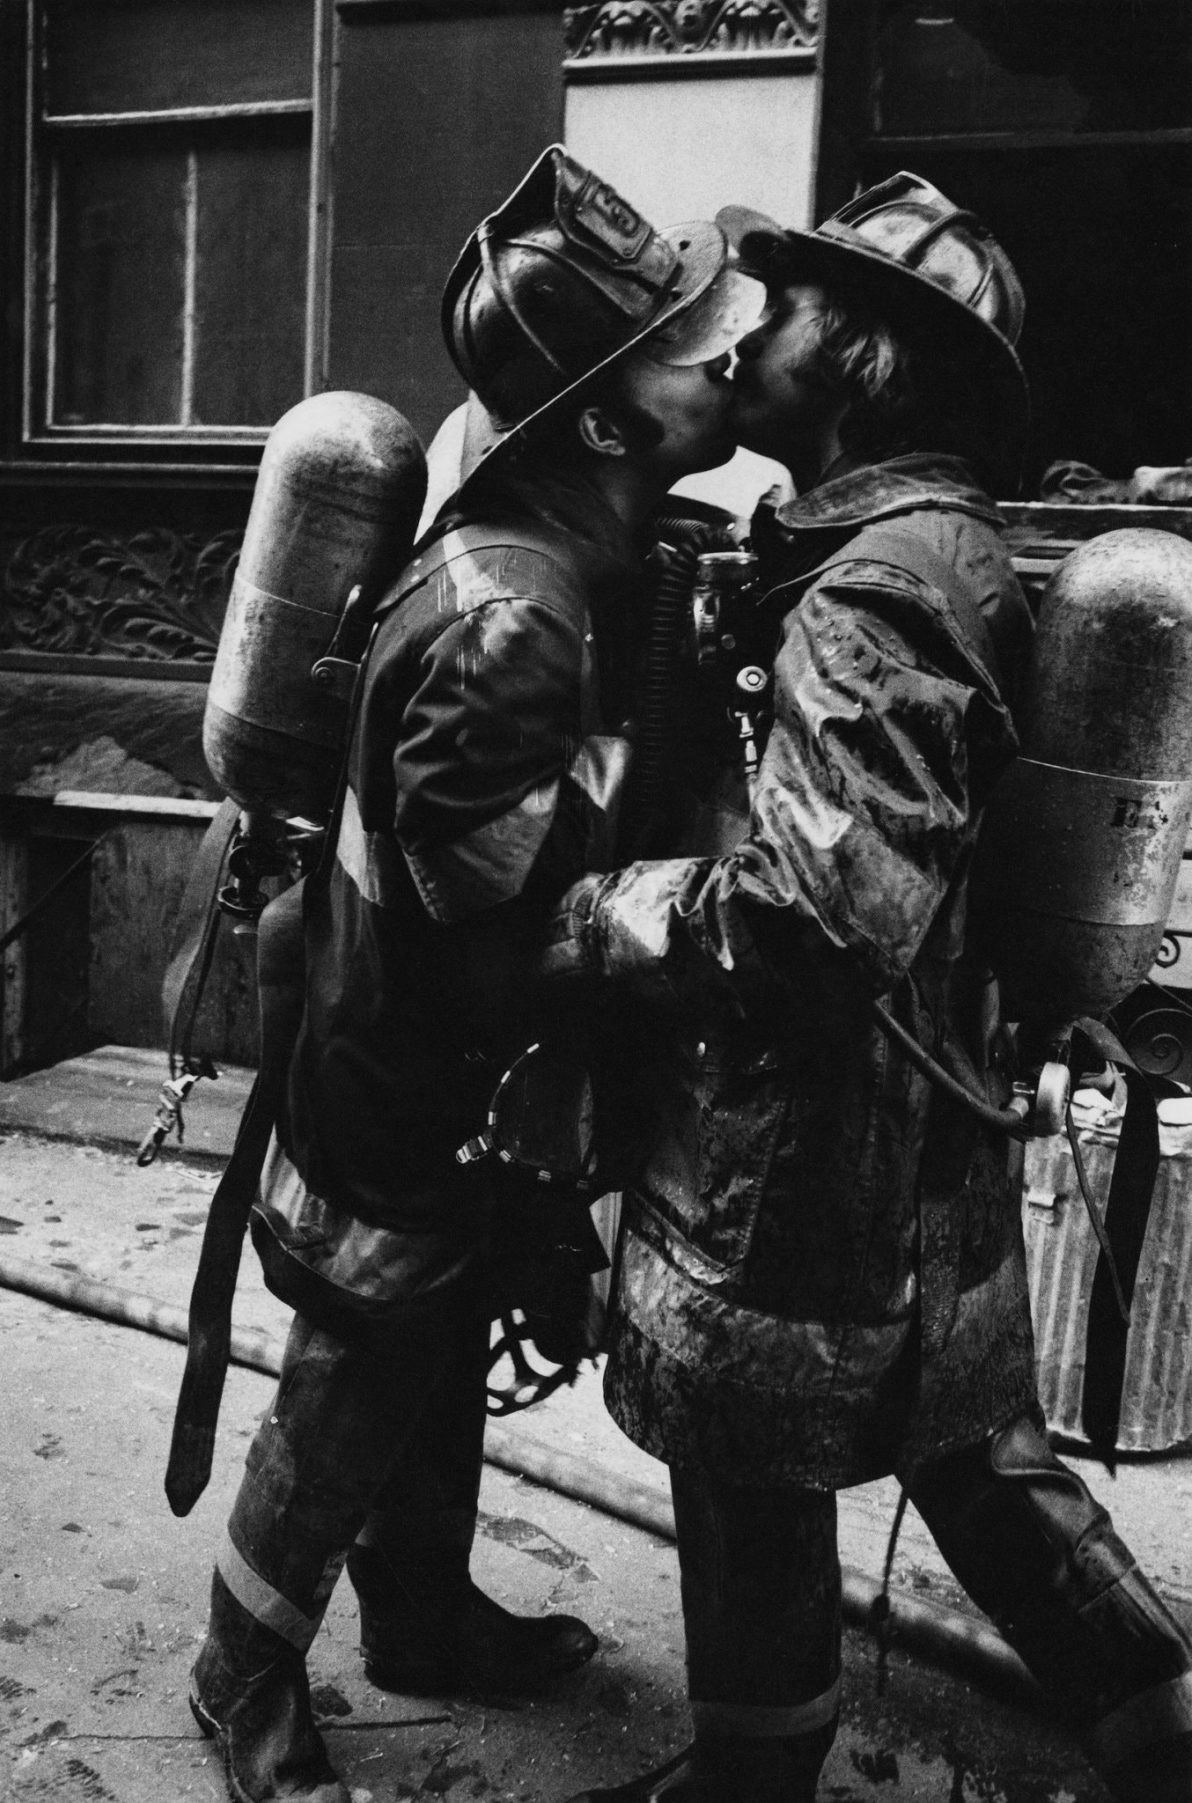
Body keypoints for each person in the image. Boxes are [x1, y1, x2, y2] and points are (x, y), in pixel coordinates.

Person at [541, 173, 1192, 1803]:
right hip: (924, 1142)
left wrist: (602, 914)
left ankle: (750, 1781)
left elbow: (815, 927)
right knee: (973, 1451)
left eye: (791, 305)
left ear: (868, 359)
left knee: (750, 1467)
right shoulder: (932, 545)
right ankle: (1161, 1733)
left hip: (805, 1158)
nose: (750, 327)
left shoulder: (870, 599)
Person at [188, 145, 765, 1803]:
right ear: (607, 423)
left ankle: (420, 1617)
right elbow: (472, 901)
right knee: (357, 1376)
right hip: (410, 1071)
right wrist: (688, 902)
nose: (729, 359)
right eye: (691, 351)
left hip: (439, 1061)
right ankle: (239, 1676)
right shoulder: (519, 616)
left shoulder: (566, 562)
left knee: (434, 1353)